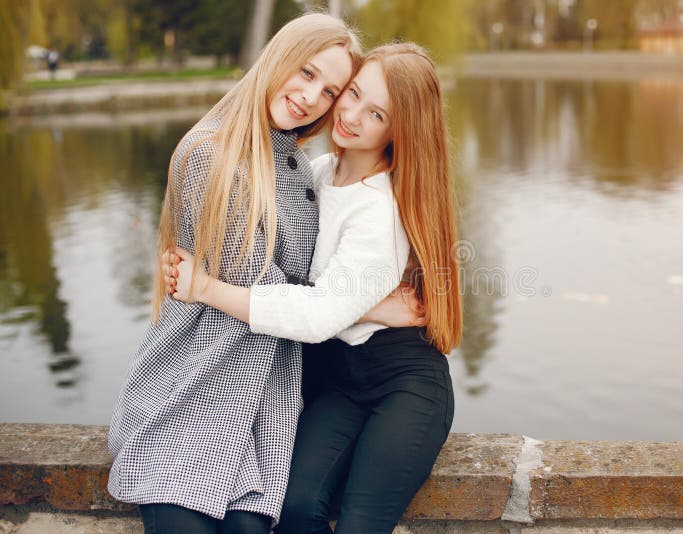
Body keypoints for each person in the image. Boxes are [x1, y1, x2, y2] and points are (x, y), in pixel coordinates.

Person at [165, 43, 462, 534]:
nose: (350, 115)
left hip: (402, 384)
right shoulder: (315, 174)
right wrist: (370, 308)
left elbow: (319, 314)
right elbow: (291, 275)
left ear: (398, 130)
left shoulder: (379, 209)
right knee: (295, 510)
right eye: (351, 94)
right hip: (337, 380)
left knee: (360, 524)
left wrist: (206, 288)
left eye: (377, 114)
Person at [107, 13, 365, 534]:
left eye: (330, 90)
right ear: (279, 57)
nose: (312, 97)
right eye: (307, 72)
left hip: (263, 409)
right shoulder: (212, 153)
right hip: (195, 393)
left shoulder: (296, 164)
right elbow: (257, 284)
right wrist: (363, 298)